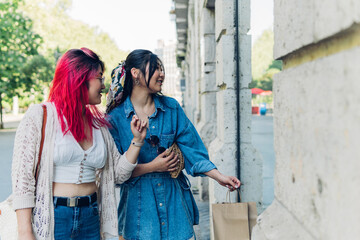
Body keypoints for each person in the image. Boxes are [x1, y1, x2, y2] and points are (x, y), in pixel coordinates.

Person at [11, 48, 147, 240]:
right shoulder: (40, 116)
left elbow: (118, 174)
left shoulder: (99, 126)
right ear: (80, 78)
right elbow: (22, 178)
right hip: (55, 215)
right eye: (99, 77)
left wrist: (137, 141)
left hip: (91, 217)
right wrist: (25, 232)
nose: (103, 84)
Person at [106, 49, 241, 240]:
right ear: (135, 73)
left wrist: (219, 177)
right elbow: (114, 172)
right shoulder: (115, 118)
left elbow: (192, 150)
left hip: (174, 205)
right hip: (139, 211)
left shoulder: (171, 108)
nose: (162, 74)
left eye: (162, 69)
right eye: (155, 68)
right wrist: (153, 167)